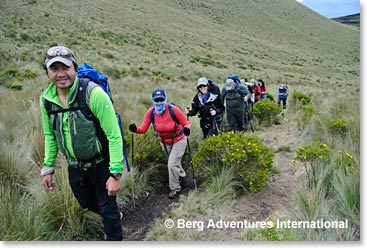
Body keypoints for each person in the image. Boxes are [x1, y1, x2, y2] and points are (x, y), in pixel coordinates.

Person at [39, 46, 123, 241]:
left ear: (74, 68)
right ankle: (111, 216)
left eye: (65, 67)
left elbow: (114, 135)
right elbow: (49, 135)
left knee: (108, 209)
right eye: (54, 69)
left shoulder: (94, 94)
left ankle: (113, 231)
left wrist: (115, 173)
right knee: (85, 203)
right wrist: (48, 167)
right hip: (75, 166)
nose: (61, 74)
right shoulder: (46, 101)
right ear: (48, 72)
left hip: (102, 163)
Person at [128, 88, 191, 199]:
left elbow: (186, 123)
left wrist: (187, 129)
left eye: (161, 99)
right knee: (174, 162)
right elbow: (143, 129)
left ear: (165, 99)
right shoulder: (151, 113)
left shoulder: (173, 110)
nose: (159, 102)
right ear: (153, 100)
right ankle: (182, 176)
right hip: (164, 142)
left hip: (179, 140)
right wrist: (135, 129)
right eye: (156, 100)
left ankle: (175, 189)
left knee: (171, 164)